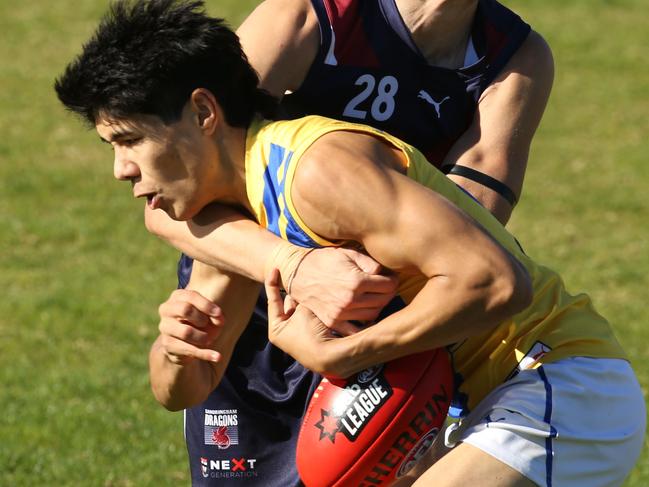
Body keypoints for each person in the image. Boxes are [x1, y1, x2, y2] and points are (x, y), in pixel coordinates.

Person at [55, 1, 646, 486]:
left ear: (205, 113)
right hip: (476, 391)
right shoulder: (245, 201)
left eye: (129, 140)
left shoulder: (313, 167)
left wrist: (342, 356)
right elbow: (179, 388)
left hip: (551, 380)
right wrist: (176, 348)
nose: (119, 171)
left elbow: (496, 279)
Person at [143, 0, 553, 481]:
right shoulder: (311, 16)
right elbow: (173, 197)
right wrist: (295, 265)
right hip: (250, 301)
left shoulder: (516, 56)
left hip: (380, 323)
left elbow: (471, 227)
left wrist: (347, 289)